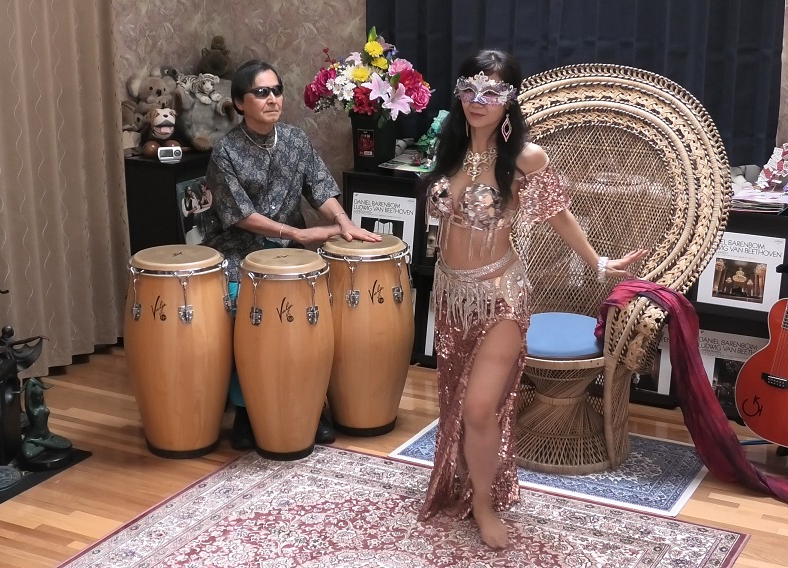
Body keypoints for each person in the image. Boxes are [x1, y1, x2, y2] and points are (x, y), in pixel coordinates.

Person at [419, 50, 646, 548]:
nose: (478, 100)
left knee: (480, 408)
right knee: (456, 399)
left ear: (510, 100)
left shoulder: (525, 158)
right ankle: (466, 477)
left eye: (491, 92)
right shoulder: (449, 148)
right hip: (450, 295)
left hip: (500, 295)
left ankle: (484, 502)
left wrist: (597, 262)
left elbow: (559, 214)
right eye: (469, 89)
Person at [201, 58, 380, 450]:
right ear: (239, 102)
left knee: (314, 310)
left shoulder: (296, 140)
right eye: (261, 92)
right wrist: (297, 232)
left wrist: (343, 221)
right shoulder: (224, 151)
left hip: (290, 252)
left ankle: (312, 404)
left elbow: (321, 188)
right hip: (239, 251)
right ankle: (246, 409)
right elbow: (239, 215)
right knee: (243, 309)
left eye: (277, 91)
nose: (272, 99)